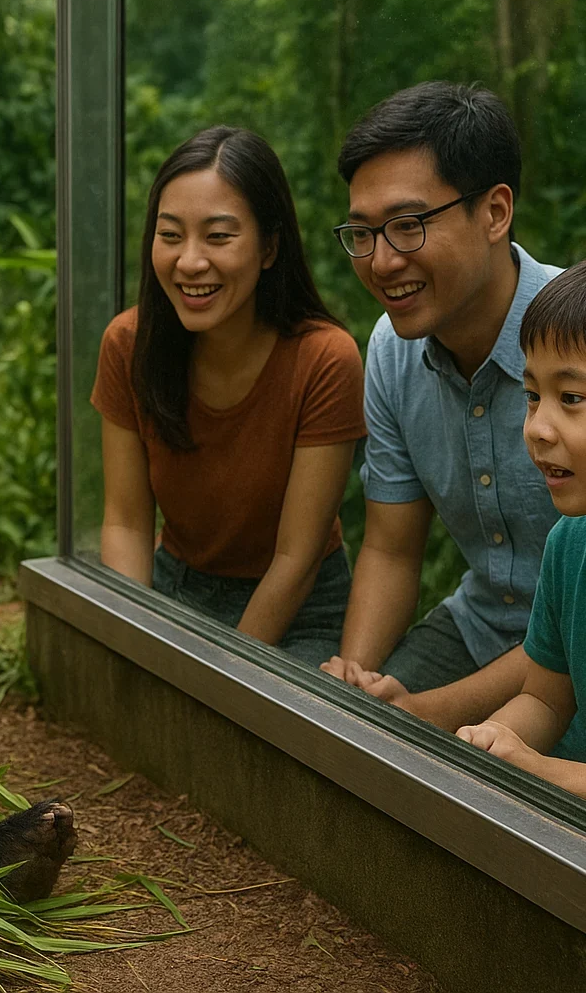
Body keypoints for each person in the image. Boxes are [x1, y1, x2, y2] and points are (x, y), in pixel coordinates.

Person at [320, 82, 563, 731]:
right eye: (363, 233)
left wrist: (421, 713)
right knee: (347, 737)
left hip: (577, 647)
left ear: (494, 212)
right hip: (478, 628)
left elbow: (575, 623)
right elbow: (392, 550)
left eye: (407, 226)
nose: (381, 260)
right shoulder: (392, 351)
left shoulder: (577, 347)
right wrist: (356, 675)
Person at [91, 125, 366, 665]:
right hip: (176, 585)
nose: (190, 262)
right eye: (170, 236)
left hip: (300, 607)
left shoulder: (325, 359)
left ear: (269, 247)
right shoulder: (128, 344)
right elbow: (125, 521)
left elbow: (297, 558)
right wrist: (136, 632)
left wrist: (224, 672)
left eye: (218, 237)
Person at [457, 262, 586, 791]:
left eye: (572, 398)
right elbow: (545, 699)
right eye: (533, 395)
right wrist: (492, 741)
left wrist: (537, 770)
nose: (536, 428)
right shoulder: (568, 546)